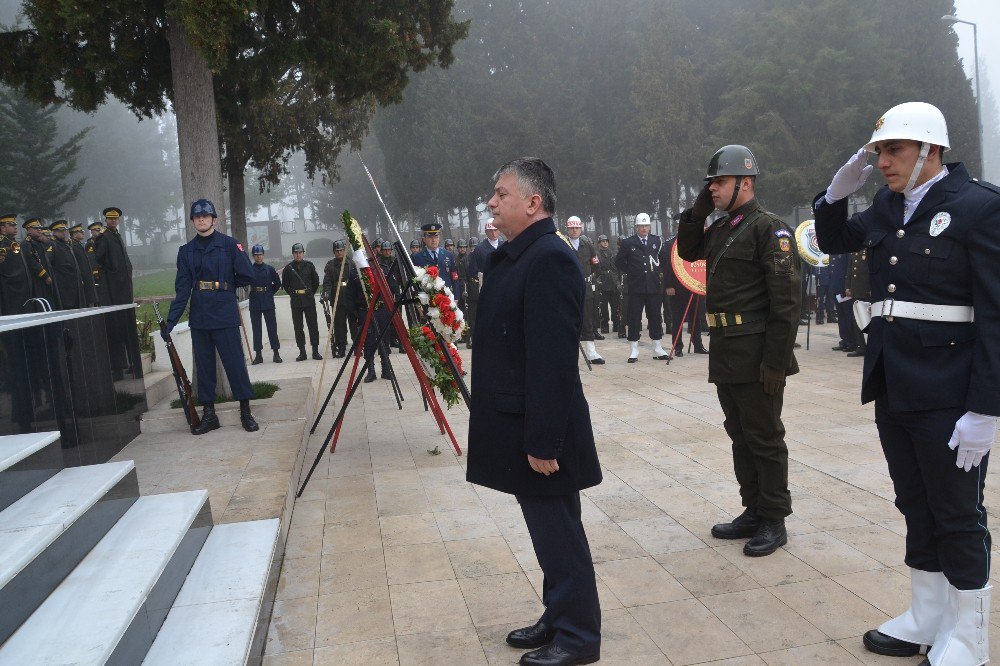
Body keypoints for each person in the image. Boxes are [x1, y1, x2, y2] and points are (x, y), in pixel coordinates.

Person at [813, 102, 999, 666]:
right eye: (878, 152)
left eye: (893, 150)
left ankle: (968, 634)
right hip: (895, 382)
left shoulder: (978, 207)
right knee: (914, 503)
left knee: (957, 511)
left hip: (949, 389)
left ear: (930, 150)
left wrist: (986, 409)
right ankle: (926, 616)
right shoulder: (887, 207)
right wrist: (833, 196)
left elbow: (995, 314)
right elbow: (833, 241)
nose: (883, 162)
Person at [468, 157, 602, 666]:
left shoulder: (549, 257)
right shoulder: (519, 255)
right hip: (520, 419)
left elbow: (552, 360)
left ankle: (577, 638)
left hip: (543, 428)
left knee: (560, 533)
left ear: (533, 202)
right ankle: (558, 614)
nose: (491, 202)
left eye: (501, 194)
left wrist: (544, 440)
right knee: (547, 530)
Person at [677, 144, 801, 557]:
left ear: (745, 183)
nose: (712, 188)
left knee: (764, 437)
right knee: (740, 435)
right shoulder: (723, 228)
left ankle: (774, 518)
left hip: (758, 353)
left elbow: (785, 304)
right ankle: (753, 508)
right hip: (727, 350)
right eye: (710, 182)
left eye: (720, 182)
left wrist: (776, 364)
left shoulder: (770, 229)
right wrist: (697, 212)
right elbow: (689, 250)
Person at [163, 199, 258, 434]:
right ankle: (209, 414)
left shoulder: (229, 246)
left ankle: (245, 411)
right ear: (193, 221)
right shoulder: (187, 252)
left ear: (214, 219)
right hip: (201, 315)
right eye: (197, 217)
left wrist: (228, 286)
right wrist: (171, 321)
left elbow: (248, 275)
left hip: (225, 312)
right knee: (204, 367)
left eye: (206, 216)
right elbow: (183, 289)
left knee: (234, 364)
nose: (202, 220)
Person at [614, 213, 669, 362]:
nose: (644, 228)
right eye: (641, 226)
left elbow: (663, 259)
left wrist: (657, 272)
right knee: (634, 317)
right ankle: (634, 350)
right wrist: (631, 271)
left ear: (649, 227)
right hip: (636, 287)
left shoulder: (656, 241)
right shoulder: (628, 243)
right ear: (636, 227)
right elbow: (618, 261)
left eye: (646, 226)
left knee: (655, 317)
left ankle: (657, 348)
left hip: (653, 285)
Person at [565, 215, 604, 365]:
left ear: (581, 228)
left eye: (577, 228)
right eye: (572, 228)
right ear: (567, 229)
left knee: (587, 319)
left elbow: (596, 265)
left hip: (585, 287)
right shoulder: (562, 244)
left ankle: (591, 351)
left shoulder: (587, 245)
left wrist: (589, 278)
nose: (574, 230)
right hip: (568, 288)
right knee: (568, 319)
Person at [661, 234, 707, 356]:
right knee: (678, 318)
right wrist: (669, 285)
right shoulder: (670, 244)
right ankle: (678, 347)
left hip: (694, 286)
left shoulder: (697, 241)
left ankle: (698, 345)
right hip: (677, 287)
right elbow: (666, 267)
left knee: (696, 317)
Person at [465, 220, 503, 349]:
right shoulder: (480, 249)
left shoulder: (506, 245)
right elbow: (472, 271)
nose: (493, 233)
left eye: (495, 230)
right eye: (490, 230)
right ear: (486, 232)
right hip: (488, 288)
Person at [282, 242, 322, 361]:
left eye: (300, 252)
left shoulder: (310, 266)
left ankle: (315, 351)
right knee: (298, 327)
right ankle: (302, 352)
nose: (298, 255)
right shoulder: (288, 269)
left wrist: (309, 293)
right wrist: (294, 294)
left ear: (303, 253)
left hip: (308, 300)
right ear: (293, 254)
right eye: (296, 253)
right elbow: (286, 284)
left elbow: (315, 283)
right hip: (295, 301)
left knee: (313, 326)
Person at [247, 244, 282, 364]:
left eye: (260, 255)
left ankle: (276, 353)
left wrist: (269, 292)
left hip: (268, 300)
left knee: (272, 328)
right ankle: (258, 355)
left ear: (263, 255)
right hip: (255, 301)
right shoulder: (249, 269)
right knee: (256, 329)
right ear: (253, 256)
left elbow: (277, 283)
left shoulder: (270, 269)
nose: (258, 257)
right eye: (256, 255)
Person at [321, 240, 357, 358]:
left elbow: (356, 280)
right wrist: (326, 293)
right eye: (337, 251)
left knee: (353, 323)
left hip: (350, 297)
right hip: (337, 298)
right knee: (339, 325)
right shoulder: (330, 265)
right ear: (333, 252)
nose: (339, 252)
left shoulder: (351, 263)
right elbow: (327, 282)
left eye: (341, 250)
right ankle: (341, 347)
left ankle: (356, 346)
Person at [93, 206, 133, 305]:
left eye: (115, 219)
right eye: (110, 219)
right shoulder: (103, 236)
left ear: (118, 220)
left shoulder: (116, 234)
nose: (113, 221)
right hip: (113, 280)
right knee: (116, 306)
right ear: (106, 220)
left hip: (123, 277)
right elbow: (99, 257)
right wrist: (113, 269)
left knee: (126, 304)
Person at [47, 220, 86, 310]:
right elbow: (48, 263)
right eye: (61, 231)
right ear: (54, 232)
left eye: (65, 230)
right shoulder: (53, 244)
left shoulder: (66, 244)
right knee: (67, 307)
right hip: (63, 284)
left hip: (73, 282)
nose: (64, 232)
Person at [21, 217, 58, 309]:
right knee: (41, 305)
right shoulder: (26, 244)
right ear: (29, 231)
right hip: (37, 280)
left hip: (45, 280)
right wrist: (45, 275)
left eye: (39, 228)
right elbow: (32, 263)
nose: (39, 229)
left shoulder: (39, 242)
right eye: (35, 228)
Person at [0, 213, 32, 315]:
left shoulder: (12, 241)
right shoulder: (2, 242)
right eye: (12, 225)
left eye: (15, 225)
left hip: (21, 288)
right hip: (10, 289)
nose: (15, 227)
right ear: (3, 228)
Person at [412, 222, 458, 291]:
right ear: (424, 239)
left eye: (436, 236)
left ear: (439, 238)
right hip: (427, 297)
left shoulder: (448, 255)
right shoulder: (417, 257)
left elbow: (454, 277)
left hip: (447, 297)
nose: (433, 240)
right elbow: (414, 280)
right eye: (430, 237)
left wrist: (456, 297)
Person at [844, 249, 870, 357]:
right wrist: (848, 287)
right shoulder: (855, 251)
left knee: (867, 319)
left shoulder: (869, 251)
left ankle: (868, 345)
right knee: (857, 319)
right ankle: (861, 346)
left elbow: (872, 271)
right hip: (856, 290)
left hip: (866, 291)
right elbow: (850, 271)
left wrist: (871, 288)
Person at [594, 234, 620, 335]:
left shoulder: (612, 253)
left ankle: (616, 324)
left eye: (606, 241)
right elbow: (596, 269)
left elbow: (616, 268)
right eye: (603, 241)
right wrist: (598, 280)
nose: (605, 242)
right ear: (599, 243)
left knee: (615, 306)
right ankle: (604, 325)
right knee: (603, 307)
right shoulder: (596, 254)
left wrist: (617, 281)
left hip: (612, 282)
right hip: (603, 282)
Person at [68, 223, 97, 307]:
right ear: (74, 234)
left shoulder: (79, 245)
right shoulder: (73, 246)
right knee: (86, 303)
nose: (83, 233)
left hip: (87, 278)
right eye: (81, 231)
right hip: (83, 279)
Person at [86, 221, 107, 306]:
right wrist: (95, 273)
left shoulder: (103, 241)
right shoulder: (90, 244)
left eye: (99, 230)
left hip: (105, 271)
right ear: (92, 231)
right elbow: (92, 260)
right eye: (96, 230)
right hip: (97, 273)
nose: (98, 232)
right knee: (99, 296)